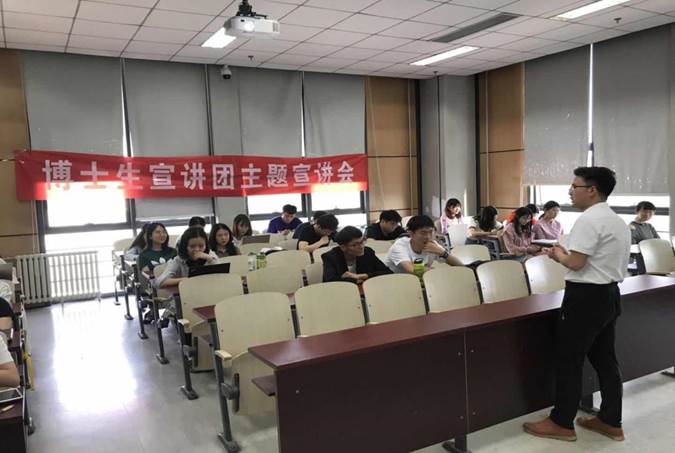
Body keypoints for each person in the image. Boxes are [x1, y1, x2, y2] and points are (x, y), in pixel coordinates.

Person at [523, 167, 630, 443]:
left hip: (585, 298)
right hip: (609, 295)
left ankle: (561, 422)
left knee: (569, 360)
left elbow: (576, 263)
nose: (570, 191)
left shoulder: (589, 220)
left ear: (591, 190)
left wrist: (558, 255)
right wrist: (565, 254)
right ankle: (611, 420)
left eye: (575, 186)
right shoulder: (616, 220)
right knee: (605, 359)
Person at [384, 215, 463, 274]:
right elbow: (411, 269)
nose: (428, 237)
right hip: (394, 283)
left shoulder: (433, 245)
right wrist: (438, 272)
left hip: (419, 283)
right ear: (411, 234)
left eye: (430, 232)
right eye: (423, 233)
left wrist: (442, 252)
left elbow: (460, 266)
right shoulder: (400, 245)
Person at [322, 226, 392, 284]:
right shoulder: (330, 257)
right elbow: (329, 281)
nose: (361, 247)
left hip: (366, 290)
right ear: (343, 247)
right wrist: (355, 280)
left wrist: (364, 276)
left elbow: (387, 272)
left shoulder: (368, 252)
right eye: (354, 245)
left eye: (362, 242)